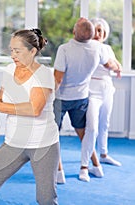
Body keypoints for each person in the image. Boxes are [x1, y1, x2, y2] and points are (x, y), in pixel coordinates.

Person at [0, 28, 60, 205]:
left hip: (42, 144)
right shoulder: (9, 70)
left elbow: (34, 109)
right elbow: (3, 103)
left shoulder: (44, 74)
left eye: (17, 51)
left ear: (32, 51)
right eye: (11, 50)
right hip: (13, 143)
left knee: (46, 199)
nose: (13, 55)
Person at [53, 17, 120, 184]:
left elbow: (58, 79)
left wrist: (47, 97)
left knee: (52, 136)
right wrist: (116, 66)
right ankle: (96, 166)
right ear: (91, 35)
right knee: (85, 134)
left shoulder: (64, 49)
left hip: (62, 98)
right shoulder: (98, 48)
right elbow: (109, 64)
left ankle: (59, 173)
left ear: (74, 31)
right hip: (81, 98)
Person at [80, 18, 122, 182]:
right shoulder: (87, 47)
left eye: (102, 31)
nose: (99, 34)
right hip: (92, 91)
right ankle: (84, 166)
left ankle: (103, 154)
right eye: (96, 30)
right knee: (92, 128)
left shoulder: (107, 48)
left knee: (105, 124)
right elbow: (109, 65)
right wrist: (113, 65)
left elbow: (116, 64)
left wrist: (115, 65)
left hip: (107, 89)